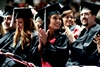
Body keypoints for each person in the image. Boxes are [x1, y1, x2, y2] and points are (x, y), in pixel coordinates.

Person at [66, 1, 100, 66]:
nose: (83, 17)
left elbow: (84, 54)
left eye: (86, 14)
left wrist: (73, 40)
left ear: (94, 16)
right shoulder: (84, 31)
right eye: (81, 14)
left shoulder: (98, 30)